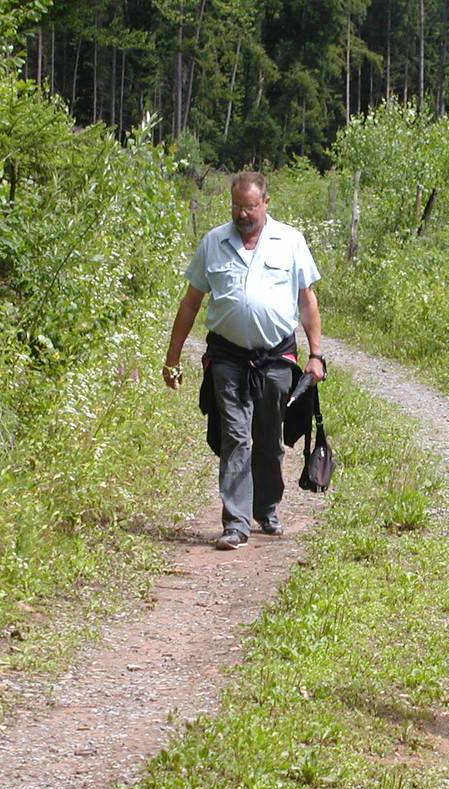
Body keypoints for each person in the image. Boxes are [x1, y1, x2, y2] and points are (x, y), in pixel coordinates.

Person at [163, 172, 327, 549]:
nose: (243, 214)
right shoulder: (213, 242)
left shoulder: (290, 242)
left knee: (270, 439)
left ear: (266, 203)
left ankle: (266, 507)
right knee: (236, 437)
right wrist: (172, 358)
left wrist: (315, 355)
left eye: (250, 206)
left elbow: (306, 299)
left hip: (276, 358)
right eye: (237, 206)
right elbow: (191, 303)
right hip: (227, 357)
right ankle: (235, 524)